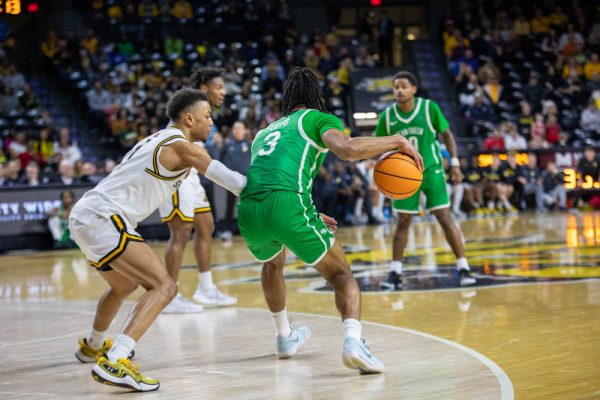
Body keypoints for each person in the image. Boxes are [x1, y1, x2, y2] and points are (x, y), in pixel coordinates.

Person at [237, 67, 422, 374]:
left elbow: (269, 175)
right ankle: (353, 343)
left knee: (272, 264)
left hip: (249, 207)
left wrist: (305, 209)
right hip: (286, 203)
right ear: (316, 97)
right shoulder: (316, 118)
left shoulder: (265, 132)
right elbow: (347, 150)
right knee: (342, 275)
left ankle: (284, 338)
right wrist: (397, 141)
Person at [70, 89, 246, 391]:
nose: (212, 122)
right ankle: (116, 358)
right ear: (189, 118)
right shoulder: (181, 146)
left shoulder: (157, 138)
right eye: (207, 116)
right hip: (105, 217)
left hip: (87, 214)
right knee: (165, 286)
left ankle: (93, 345)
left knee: (123, 285)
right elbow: (234, 182)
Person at [375, 71, 476, 290]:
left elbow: (447, 135)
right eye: (395, 87)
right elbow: (380, 144)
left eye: (403, 86)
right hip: (404, 174)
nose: (399, 90)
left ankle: (463, 267)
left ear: (413, 88)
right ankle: (395, 272)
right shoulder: (387, 117)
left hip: (431, 169)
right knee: (403, 221)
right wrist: (381, 168)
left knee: (444, 217)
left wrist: (455, 163)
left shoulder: (429, 108)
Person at [158, 67, 237, 313]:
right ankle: (168, 295)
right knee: (180, 233)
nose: (223, 92)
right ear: (204, 89)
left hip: (191, 175)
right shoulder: (189, 109)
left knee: (206, 225)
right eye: (219, 87)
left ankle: (205, 288)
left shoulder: (204, 113)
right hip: (177, 175)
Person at [220, 121, 251, 238]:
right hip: (231, 181)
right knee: (229, 205)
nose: (238, 130)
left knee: (248, 206)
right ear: (233, 131)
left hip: (247, 182)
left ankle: (251, 230)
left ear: (244, 131)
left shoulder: (249, 145)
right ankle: (227, 230)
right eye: (236, 128)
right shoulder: (228, 145)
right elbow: (219, 159)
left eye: (240, 128)